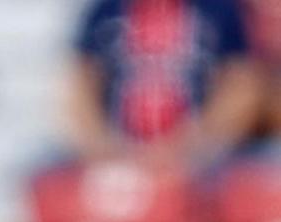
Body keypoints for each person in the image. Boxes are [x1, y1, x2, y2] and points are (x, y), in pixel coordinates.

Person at [63, 0, 265, 169]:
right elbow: (80, 86)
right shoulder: (104, 10)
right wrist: (104, 148)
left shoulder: (220, 9)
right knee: (45, 171)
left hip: (206, 160)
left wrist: (193, 145)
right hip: (116, 154)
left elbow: (242, 86)